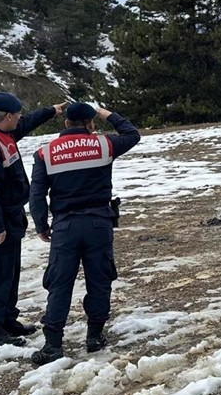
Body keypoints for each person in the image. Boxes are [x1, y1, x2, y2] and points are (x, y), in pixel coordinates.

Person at [28, 102, 141, 364]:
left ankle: (53, 345)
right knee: (99, 280)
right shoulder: (104, 145)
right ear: (90, 124)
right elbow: (132, 134)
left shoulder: (45, 153)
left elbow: (37, 195)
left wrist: (41, 225)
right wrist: (106, 113)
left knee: (59, 284)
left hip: (65, 227)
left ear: (65, 123)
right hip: (99, 224)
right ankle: (94, 336)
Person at [0, 91, 65, 350]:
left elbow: (25, 123)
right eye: (17, 115)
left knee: (9, 273)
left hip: (10, 215)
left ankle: (8, 320)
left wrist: (51, 111)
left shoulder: (2, 132)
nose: (20, 118)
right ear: (8, 116)